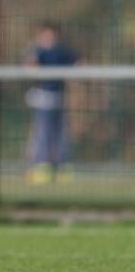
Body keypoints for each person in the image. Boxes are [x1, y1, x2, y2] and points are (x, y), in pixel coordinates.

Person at [24, 22, 78, 185]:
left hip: (59, 97)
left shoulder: (63, 52)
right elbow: (30, 66)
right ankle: (42, 167)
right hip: (43, 98)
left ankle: (62, 167)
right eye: (46, 35)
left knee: (61, 133)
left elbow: (78, 63)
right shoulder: (38, 51)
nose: (50, 38)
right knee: (43, 133)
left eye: (52, 35)